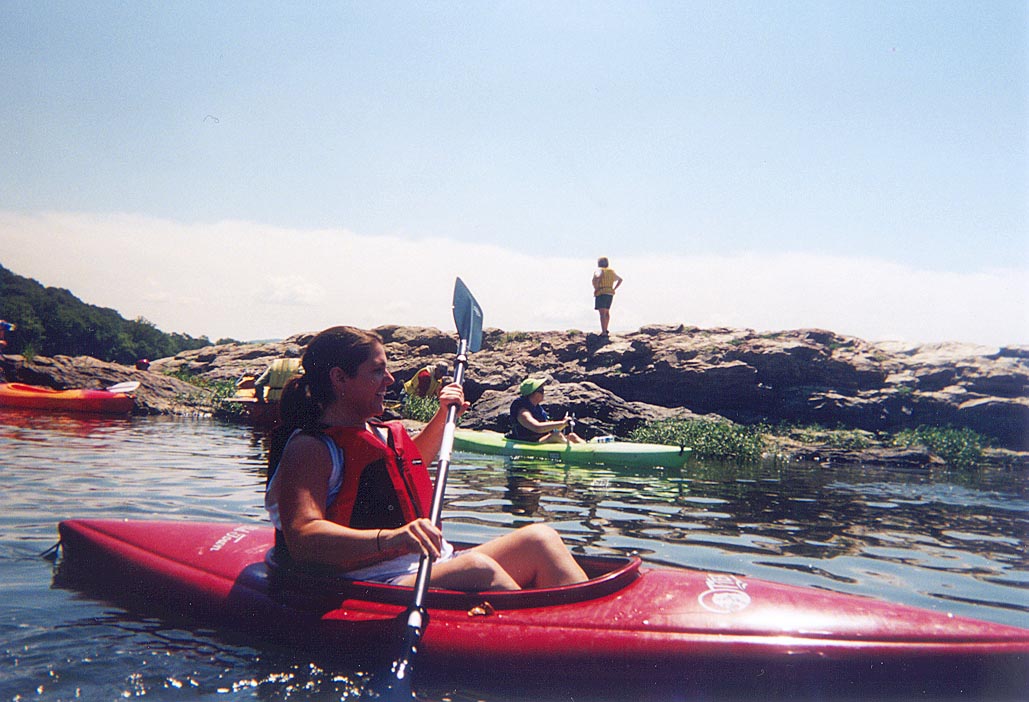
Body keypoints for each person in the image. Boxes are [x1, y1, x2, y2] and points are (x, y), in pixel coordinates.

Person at [265, 326, 587, 591]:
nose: (390, 380)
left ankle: (584, 627)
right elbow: (303, 537)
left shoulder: (379, 432)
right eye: (377, 371)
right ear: (339, 379)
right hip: (371, 580)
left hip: (429, 563)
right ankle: (547, 639)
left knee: (540, 539)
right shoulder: (311, 448)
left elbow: (404, 468)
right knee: (477, 568)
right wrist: (393, 538)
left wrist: (444, 416)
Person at [508, 378, 584, 444]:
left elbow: (550, 429)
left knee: (572, 436)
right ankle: (581, 453)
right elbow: (537, 428)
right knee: (556, 436)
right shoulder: (523, 412)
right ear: (533, 394)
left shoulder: (537, 408)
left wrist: (563, 424)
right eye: (541, 391)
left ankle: (588, 448)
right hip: (529, 442)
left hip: (540, 439)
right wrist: (562, 423)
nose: (543, 393)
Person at [592, 257, 624, 336]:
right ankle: (605, 329)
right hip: (610, 292)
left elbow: (597, 276)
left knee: (602, 313)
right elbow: (620, 279)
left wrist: (596, 287)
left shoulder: (599, 270)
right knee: (607, 311)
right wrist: (614, 288)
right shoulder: (611, 271)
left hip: (601, 292)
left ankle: (604, 331)